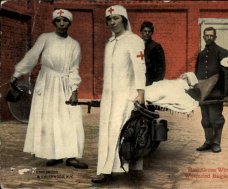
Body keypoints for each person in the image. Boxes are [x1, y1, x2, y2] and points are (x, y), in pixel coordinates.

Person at [9, 9, 88, 169]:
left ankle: (72, 156)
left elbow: (74, 69)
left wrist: (74, 90)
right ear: (54, 23)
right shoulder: (45, 38)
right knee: (49, 119)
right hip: (46, 83)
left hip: (64, 84)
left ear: (69, 23)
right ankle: (54, 154)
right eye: (58, 21)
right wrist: (17, 73)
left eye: (65, 21)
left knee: (70, 119)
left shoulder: (74, 45)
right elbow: (32, 56)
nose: (61, 24)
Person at [91, 5, 146, 183]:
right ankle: (107, 167)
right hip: (110, 96)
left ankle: (114, 169)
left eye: (116, 18)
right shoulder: (110, 44)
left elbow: (139, 68)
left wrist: (140, 93)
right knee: (107, 131)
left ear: (124, 19)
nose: (112, 22)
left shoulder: (134, 40)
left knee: (124, 130)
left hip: (126, 94)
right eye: (109, 19)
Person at [195, 27, 228, 153]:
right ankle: (208, 142)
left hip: (216, 93)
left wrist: (227, 94)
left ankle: (216, 143)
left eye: (211, 35)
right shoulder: (201, 54)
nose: (209, 37)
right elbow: (198, 75)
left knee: (215, 119)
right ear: (203, 37)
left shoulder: (223, 52)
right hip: (203, 94)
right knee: (205, 120)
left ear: (215, 37)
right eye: (207, 35)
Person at [140, 21, 166, 86]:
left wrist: (157, 83)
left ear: (152, 32)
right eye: (145, 31)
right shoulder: (136, 45)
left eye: (149, 31)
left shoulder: (156, 46)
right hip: (138, 79)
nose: (147, 33)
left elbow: (161, 67)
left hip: (150, 80)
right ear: (141, 31)